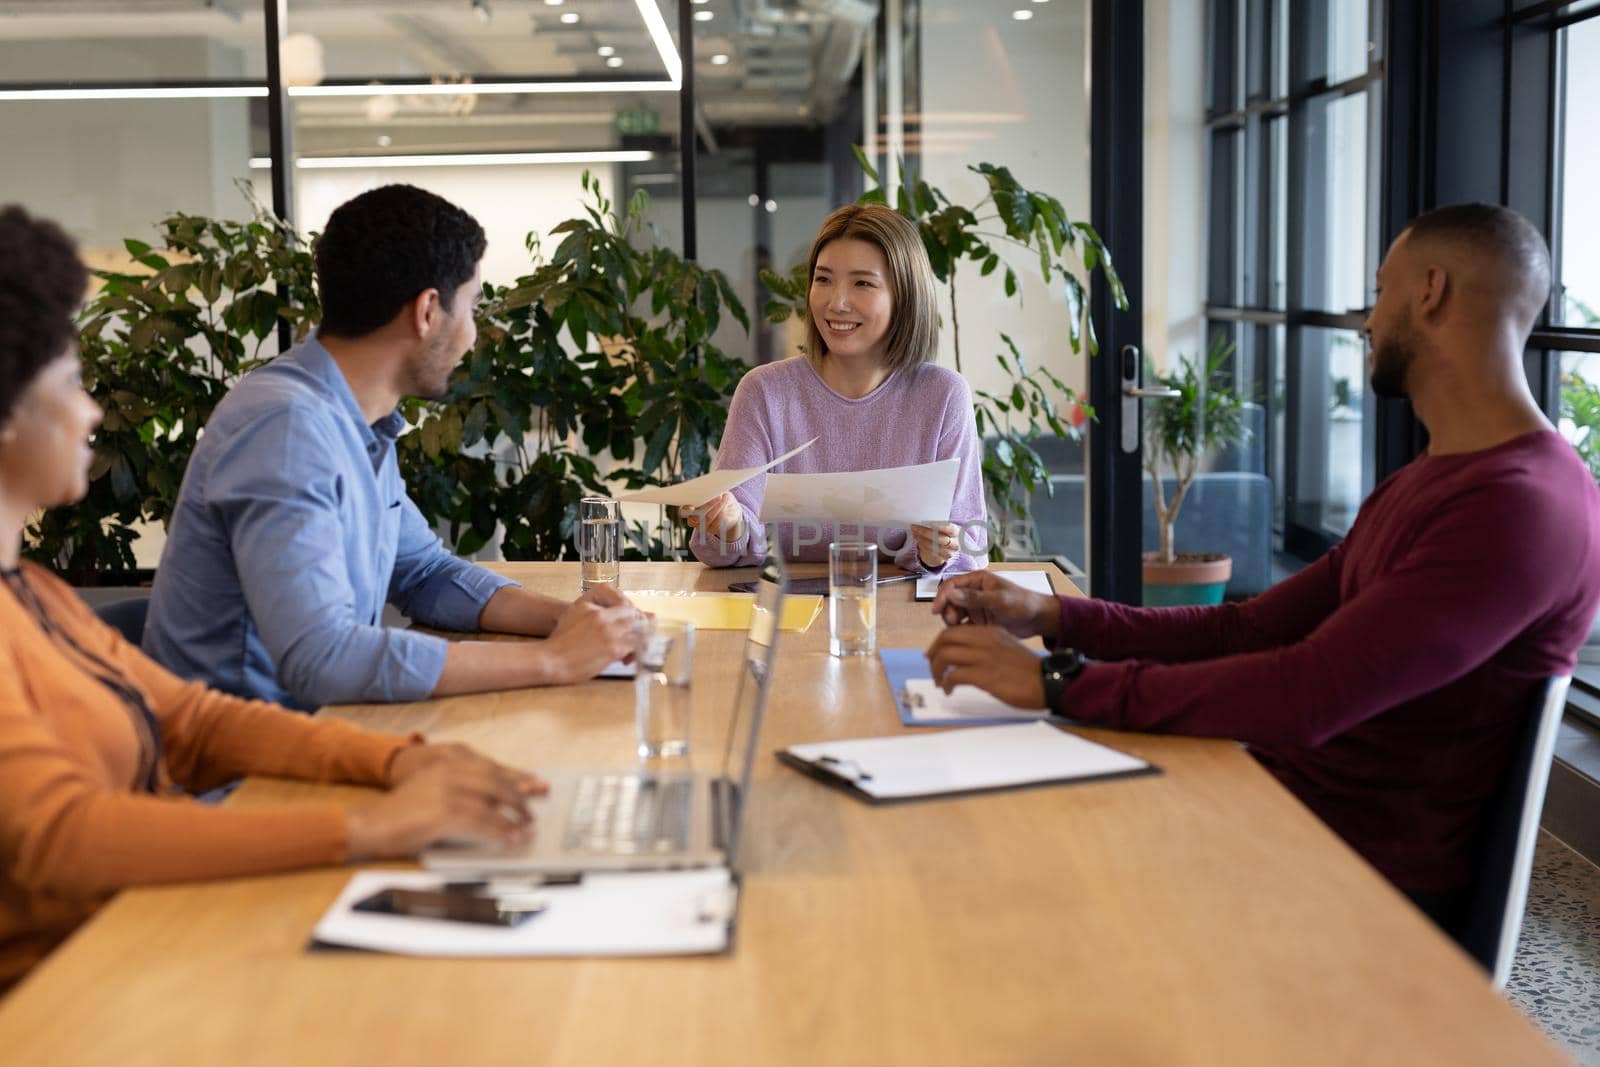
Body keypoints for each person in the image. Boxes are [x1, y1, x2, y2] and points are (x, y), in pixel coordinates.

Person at [927, 203, 1600, 931]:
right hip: (1275, 810)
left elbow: (1309, 690)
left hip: (1346, 879)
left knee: (993, 864)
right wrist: (1054, 615)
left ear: (1430, 290)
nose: (1368, 322)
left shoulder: (1521, 508)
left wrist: (1056, 683)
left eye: (1381, 291)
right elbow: (1247, 627)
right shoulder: (1434, 478)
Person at [0, 205, 546, 992]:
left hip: (151, 912)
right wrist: (369, 823)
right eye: (67, 383)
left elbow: (194, 719)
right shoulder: (287, 422)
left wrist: (402, 760)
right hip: (79, 978)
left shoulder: (36, 595)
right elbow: (59, 837)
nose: (90, 411)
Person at [143, 184, 640, 712]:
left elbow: (425, 573)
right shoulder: (287, 428)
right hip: (233, 775)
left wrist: (570, 620)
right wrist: (556, 661)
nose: (472, 335)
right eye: (471, 306)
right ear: (428, 311)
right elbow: (323, 659)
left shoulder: (355, 420)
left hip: (311, 741)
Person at [685, 203, 987, 574]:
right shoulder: (765, 392)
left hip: (901, 614)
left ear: (904, 296)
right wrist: (728, 525)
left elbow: (969, 547)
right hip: (782, 612)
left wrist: (939, 551)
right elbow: (726, 541)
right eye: (823, 279)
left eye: (862, 283)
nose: (836, 302)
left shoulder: (943, 396)